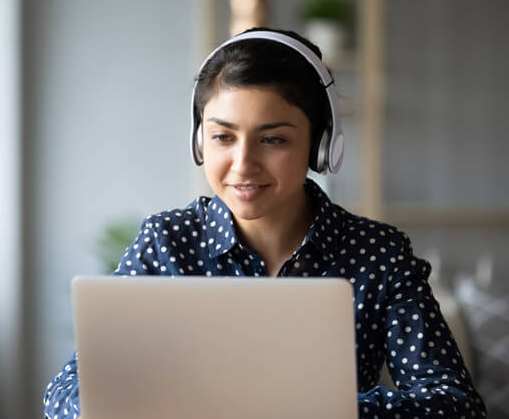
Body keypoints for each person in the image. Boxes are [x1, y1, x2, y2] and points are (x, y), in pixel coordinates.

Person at [43, 27, 487, 419]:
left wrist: (322, 407)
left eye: (272, 139)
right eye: (222, 136)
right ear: (199, 142)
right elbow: (66, 393)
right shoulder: (166, 242)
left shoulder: (379, 252)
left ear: (320, 146)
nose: (242, 164)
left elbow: (452, 402)